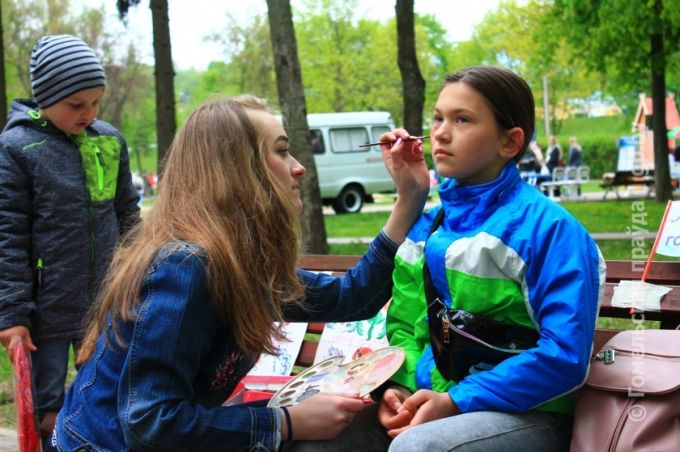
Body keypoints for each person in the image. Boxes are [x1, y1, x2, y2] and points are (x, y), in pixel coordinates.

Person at [53, 95, 430, 451]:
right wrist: (285, 422)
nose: (299, 167)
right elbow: (149, 422)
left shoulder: (240, 263)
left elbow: (351, 297)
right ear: (237, 173)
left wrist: (409, 197)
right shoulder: (186, 268)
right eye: (281, 151)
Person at [287, 66, 605, 452]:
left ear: (510, 142)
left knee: (418, 447)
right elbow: (406, 328)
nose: (440, 132)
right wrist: (399, 388)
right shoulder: (424, 229)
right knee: (313, 444)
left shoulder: (550, 230)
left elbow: (565, 356)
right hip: (431, 401)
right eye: (438, 118)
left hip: (530, 412)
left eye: (462, 119)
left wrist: (456, 400)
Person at [0, 34, 140, 447]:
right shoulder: (17, 148)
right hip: (45, 311)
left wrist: (140, 273)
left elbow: (128, 214)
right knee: (45, 406)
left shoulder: (109, 141)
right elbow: (7, 235)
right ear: (46, 97)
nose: (88, 113)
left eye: (95, 102)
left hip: (106, 302)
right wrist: (12, 314)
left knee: (108, 393)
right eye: (75, 105)